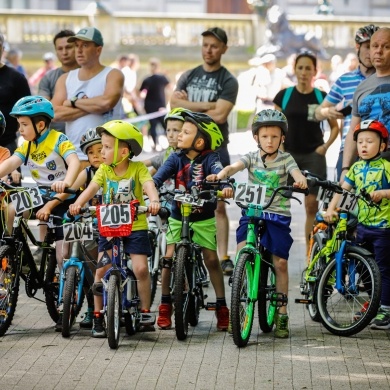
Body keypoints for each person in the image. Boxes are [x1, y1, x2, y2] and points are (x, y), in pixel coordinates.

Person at [206, 109, 308, 338]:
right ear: (256, 138)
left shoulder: (286, 159)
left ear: (282, 137)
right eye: (264, 137)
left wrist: (300, 181)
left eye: (274, 136)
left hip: (277, 214)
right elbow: (234, 168)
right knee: (242, 252)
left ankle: (281, 312)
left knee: (280, 262)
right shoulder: (251, 157)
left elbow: (296, 172)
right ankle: (238, 308)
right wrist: (221, 174)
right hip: (253, 211)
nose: (269, 141)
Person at [68, 120, 160, 337]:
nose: (103, 152)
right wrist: (78, 203)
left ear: (124, 151)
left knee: (140, 269)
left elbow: (148, 185)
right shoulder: (103, 171)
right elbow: (91, 188)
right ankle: (98, 316)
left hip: (135, 227)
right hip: (109, 228)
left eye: (107, 147)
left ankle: (145, 311)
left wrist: (154, 200)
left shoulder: (137, 169)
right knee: (101, 271)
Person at [153, 111, 231, 331]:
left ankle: (221, 306)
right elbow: (160, 176)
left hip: (203, 218)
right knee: (168, 259)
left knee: (211, 259)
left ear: (199, 140)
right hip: (178, 217)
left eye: (185, 132)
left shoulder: (210, 158)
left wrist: (222, 184)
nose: (178, 135)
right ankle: (165, 303)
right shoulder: (175, 157)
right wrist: (151, 187)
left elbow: (218, 172)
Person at [170, 27, 239, 275]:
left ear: (223, 49)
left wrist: (190, 108)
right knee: (182, 197)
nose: (208, 49)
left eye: (214, 45)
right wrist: (207, 105)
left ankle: (223, 256)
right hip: (186, 150)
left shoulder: (229, 80)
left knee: (218, 203)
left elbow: (220, 114)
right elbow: (174, 106)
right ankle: (185, 250)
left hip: (216, 149)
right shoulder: (188, 75)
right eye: (205, 44)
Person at [0, 96, 80, 276]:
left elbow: (74, 162)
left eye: (24, 125)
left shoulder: (59, 139)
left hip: (64, 198)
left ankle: (65, 291)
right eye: (19, 124)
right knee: (11, 208)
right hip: (41, 194)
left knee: (62, 257)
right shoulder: (27, 145)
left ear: (41, 125)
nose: (19, 129)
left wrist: (65, 182)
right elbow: (11, 162)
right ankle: (10, 248)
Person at [324, 120, 390, 330]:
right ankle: (373, 304)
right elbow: (343, 191)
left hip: (384, 228)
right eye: (360, 141)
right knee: (364, 267)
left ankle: (386, 310)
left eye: (369, 141)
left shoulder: (387, 167)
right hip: (363, 226)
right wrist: (332, 209)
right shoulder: (355, 168)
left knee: (384, 269)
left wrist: (384, 193)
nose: (363, 145)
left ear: (382, 146)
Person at [273, 50, 339, 253]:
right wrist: (280, 150)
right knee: (278, 204)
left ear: (315, 71)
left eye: (308, 68)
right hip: (288, 156)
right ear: (294, 69)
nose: (303, 72)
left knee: (311, 206)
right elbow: (275, 125)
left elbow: (335, 126)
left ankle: (310, 254)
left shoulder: (321, 96)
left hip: (313, 156)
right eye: (300, 67)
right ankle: (278, 250)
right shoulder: (284, 95)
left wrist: (324, 147)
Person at [51, 27, 124, 167]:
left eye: (85, 45)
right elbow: (54, 113)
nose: (78, 50)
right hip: (75, 156)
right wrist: (94, 106)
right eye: (76, 45)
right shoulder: (65, 79)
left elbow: (107, 102)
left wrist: (72, 102)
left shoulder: (113, 74)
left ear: (98, 50)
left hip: (108, 155)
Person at [315, 25, 379, 180]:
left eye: (375, 46)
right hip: (350, 149)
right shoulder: (345, 79)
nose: (371, 51)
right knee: (343, 200)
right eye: (367, 46)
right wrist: (327, 112)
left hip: (381, 149)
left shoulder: (385, 79)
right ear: (357, 47)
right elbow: (317, 112)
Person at [67, 127, 103, 329]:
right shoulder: (87, 173)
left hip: (110, 226)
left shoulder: (112, 172)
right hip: (89, 225)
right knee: (87, 264)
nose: (96, 155)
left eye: (100, 150)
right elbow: (70, 192)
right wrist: (52, 205)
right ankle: (91, 307)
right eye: (91, 152)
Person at [342, 27, 390, 174]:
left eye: (386, 47)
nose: (379, 51)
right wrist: (345, 169)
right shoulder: (362, 88)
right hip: (366, 169)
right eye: (374, 46)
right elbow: (352, 131)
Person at [0, 32, 31, 185]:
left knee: (10, 196)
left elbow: (28, 112)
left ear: (2, 49)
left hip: (9, 144)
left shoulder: (16, 78)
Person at [38, 29, 79, 134]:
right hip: (56, 139)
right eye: (60, 49)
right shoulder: (48, 78)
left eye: (68, 47)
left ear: (77, 48)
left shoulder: (89, 75)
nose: (64, 52)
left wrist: (62, 107)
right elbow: (44, 111)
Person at [139, 57, 171, 151]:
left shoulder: (147, 80)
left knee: (153, 125)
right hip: (160, 104)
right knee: (164, 125)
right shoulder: (162, 78)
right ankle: (168, 144)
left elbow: (142, 93)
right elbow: (170, 87)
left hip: (150, 104)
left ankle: (155, 145)